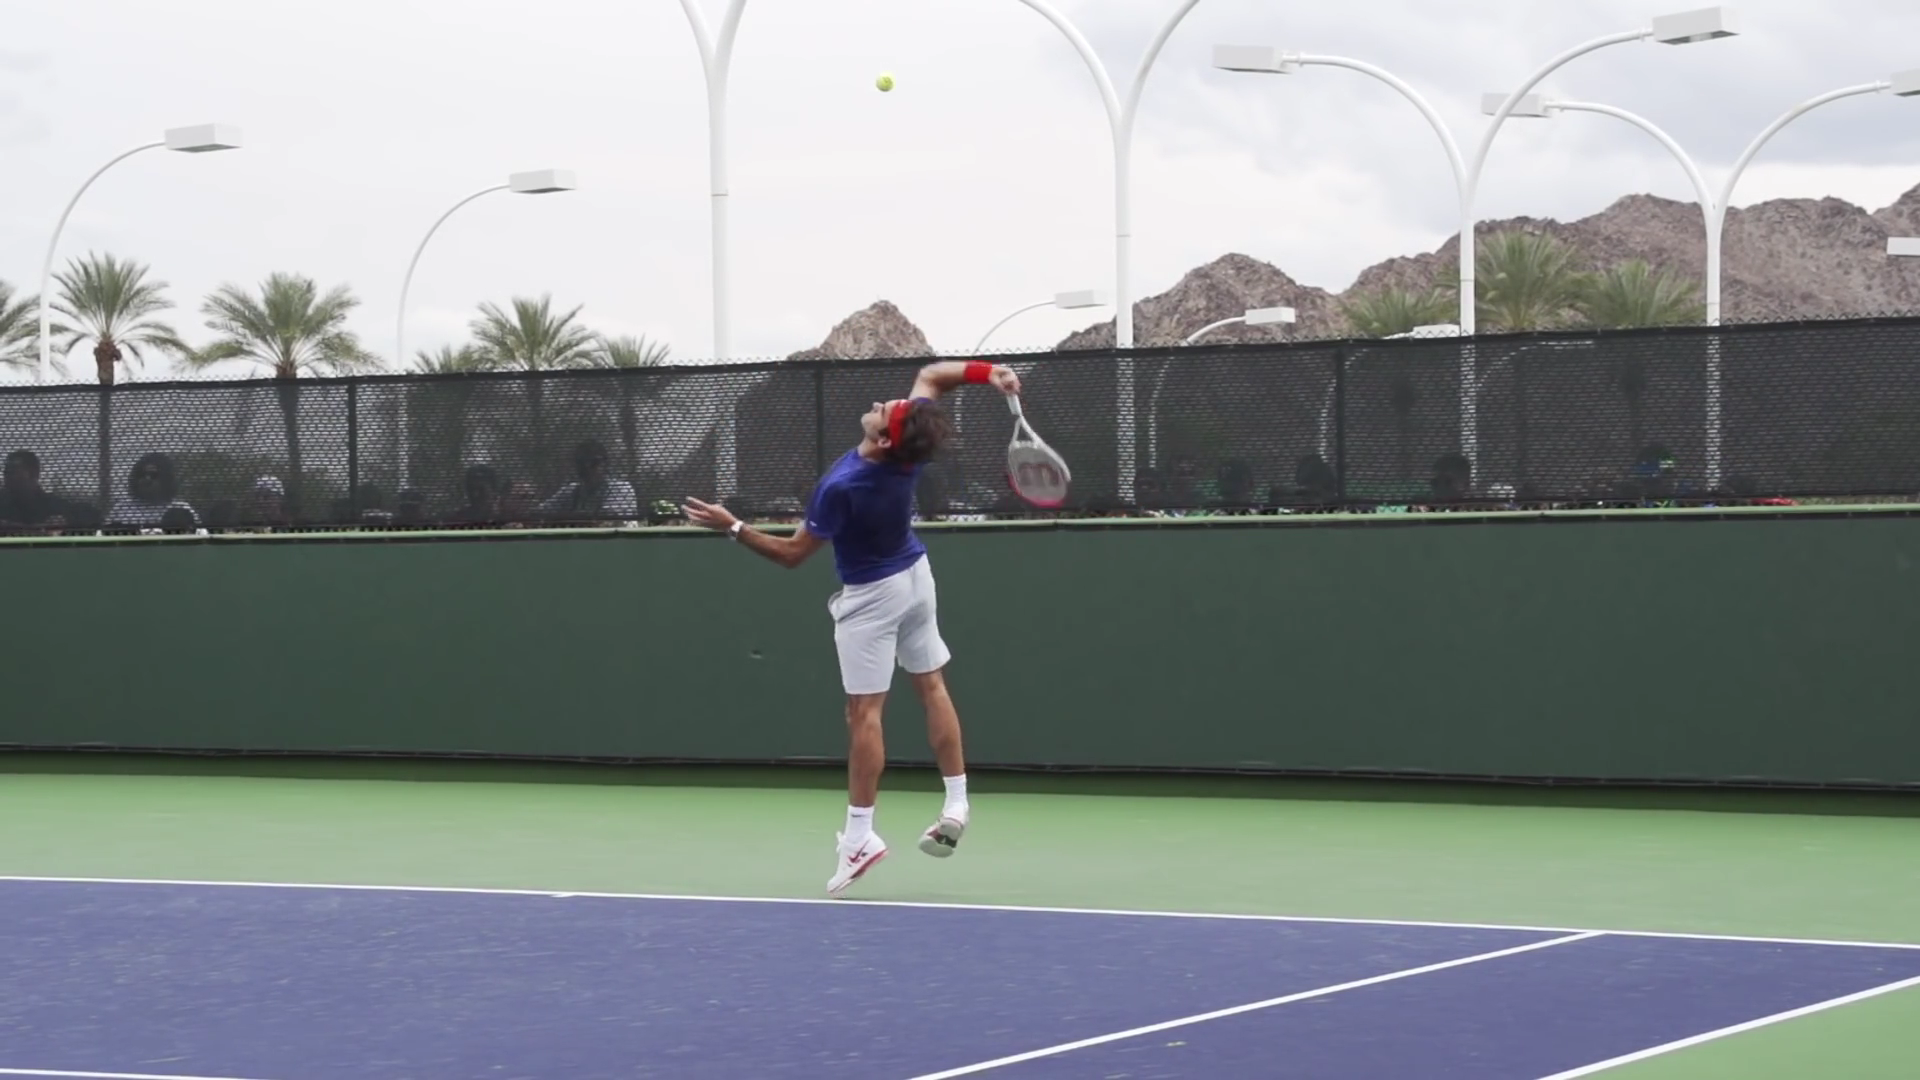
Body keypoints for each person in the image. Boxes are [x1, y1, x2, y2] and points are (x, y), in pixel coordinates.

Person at [682, 359, 1020, 897]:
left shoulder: (842, 485)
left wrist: (734, 526)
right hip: (916, 577)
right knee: (931, 685)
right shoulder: (905, 444)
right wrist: (990, 373)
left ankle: (860, 838)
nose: (881, 404)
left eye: (886, 410)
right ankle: (957, 801)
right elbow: (933, 375)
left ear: (885, 439)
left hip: (873, 597)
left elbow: (792, 555)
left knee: (864, 713)